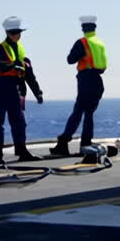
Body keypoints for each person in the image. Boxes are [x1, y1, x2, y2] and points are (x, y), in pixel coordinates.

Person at [49, 15, 107, 156]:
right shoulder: (99, 43)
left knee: (78, 112)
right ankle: (83, 143)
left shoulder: (82, 42)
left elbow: (70, 60)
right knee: (88, 114)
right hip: (98, 81)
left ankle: (64, 142)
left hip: (86, 80)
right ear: (95, 28)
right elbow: (103, 65)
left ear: (83, 28)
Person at [0, 16, 44, 165]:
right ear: (7, 33)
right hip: (1, 87)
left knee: (19, 122)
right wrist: (13, 65)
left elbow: (29, 75)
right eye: (13, 32)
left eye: (18, 32)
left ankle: (22, 151)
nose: (16, 35)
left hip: (16, 88)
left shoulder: (22, 54)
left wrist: (37, 92)